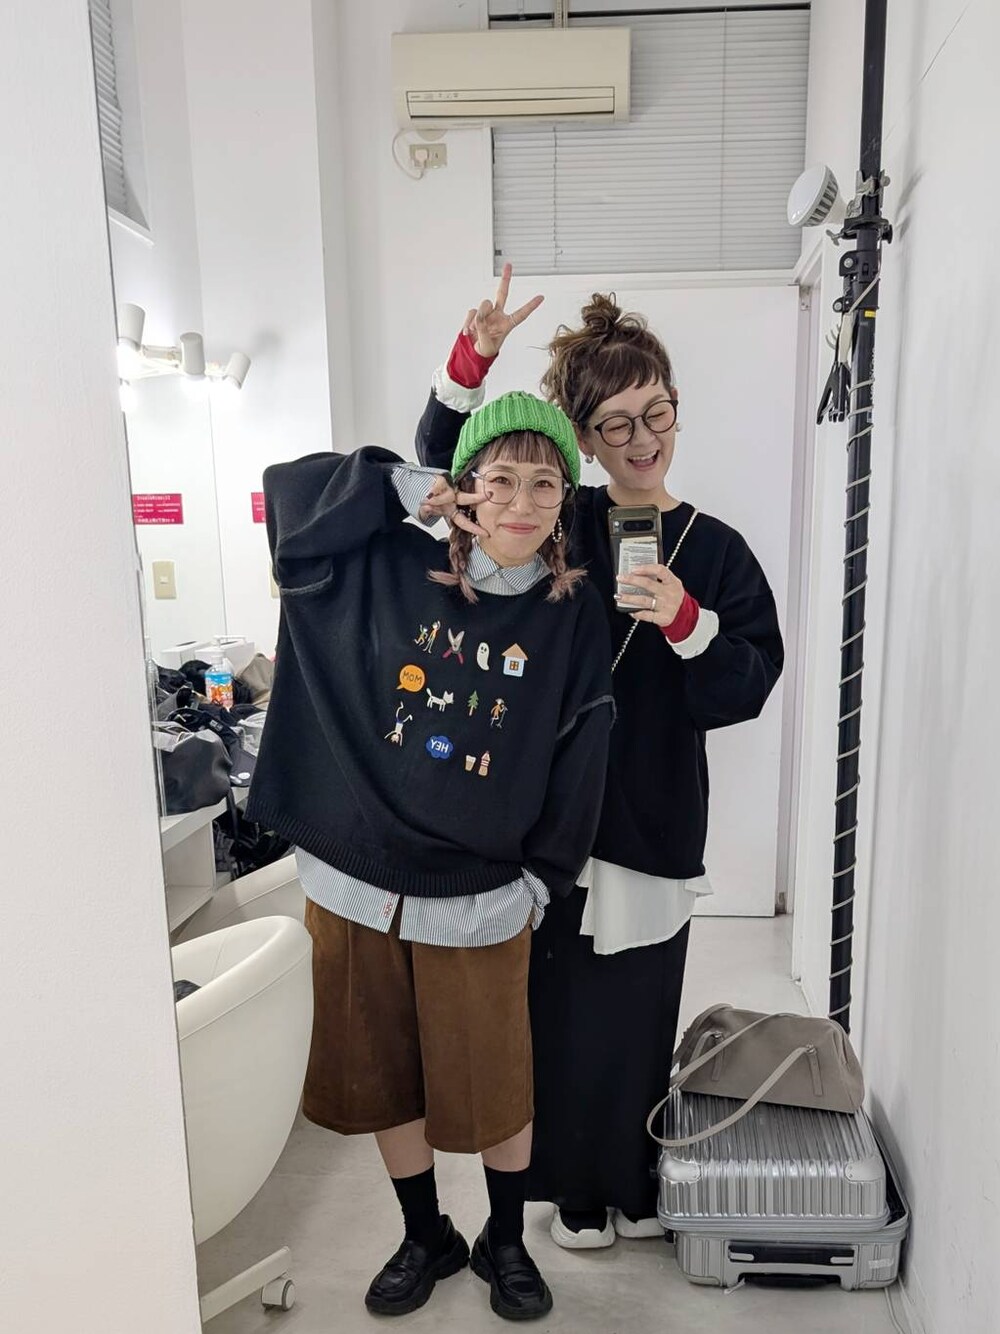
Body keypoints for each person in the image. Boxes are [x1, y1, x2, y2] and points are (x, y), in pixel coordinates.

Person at [415, 266, 784, 1249]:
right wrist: (469, 363)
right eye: (614, 424)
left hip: (655, 812)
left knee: (640, 1008)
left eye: (655, 412)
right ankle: (573, 1190)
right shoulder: (560, 515)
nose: (640, 438)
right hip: (550, 818)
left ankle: (633, 1178)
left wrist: (689, 622)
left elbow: (750, 681)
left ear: (676, 407)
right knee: (558, 1011)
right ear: (583, 437)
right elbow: (444, 476)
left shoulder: (715, 550)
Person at [247, 390, 614, 1320]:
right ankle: (425, 1234)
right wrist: (406, 488)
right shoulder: (398, 563)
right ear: (468, 487)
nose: (521, 503)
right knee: (383, 1074)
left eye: (545, 484)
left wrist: (542, 882)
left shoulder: (572, 612)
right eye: (500, 480)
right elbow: (292, 504)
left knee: (496, 1081)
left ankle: (503, 1240)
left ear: (566, 501)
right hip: (357, 879)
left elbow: (584, 748)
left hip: (480, 892)